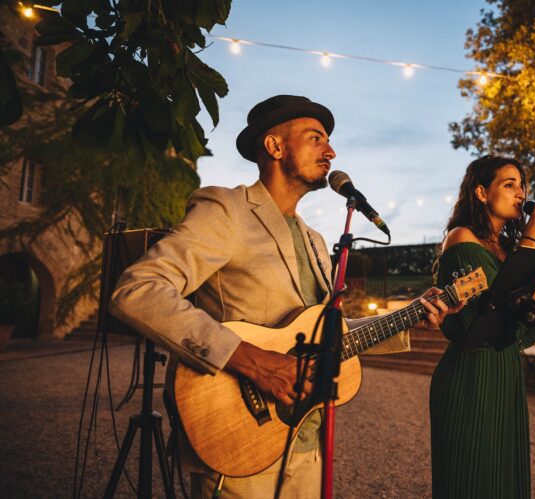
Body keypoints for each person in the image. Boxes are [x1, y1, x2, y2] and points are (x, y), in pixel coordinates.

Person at [110, 95, 455, 498]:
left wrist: (413, 313)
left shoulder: (314, 239)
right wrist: (254, 362)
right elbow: (138, 289)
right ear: (274, 147)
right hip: (238, 442)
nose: (331, 151)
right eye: (315, 138)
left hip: (306, 445)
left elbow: (327, 333)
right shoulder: (226, 209)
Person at [429, 155, 535, 498]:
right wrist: (530, 243)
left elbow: (518, 323)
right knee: (472, 478)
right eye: (509, 185)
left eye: (522, 185)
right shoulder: (461, 238)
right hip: (470, 376)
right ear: (481, 192)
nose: (520, 193)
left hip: (504, 370)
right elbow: (479, 320)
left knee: (505, 476)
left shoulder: (508, 250)